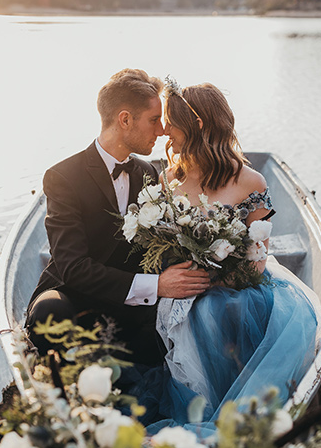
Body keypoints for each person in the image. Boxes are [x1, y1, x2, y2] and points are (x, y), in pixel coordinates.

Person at [130, 79, 321, 427]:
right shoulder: (169, 179)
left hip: (242, 286)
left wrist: (225, 277)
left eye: (171, 121)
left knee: (217, 311)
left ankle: (235, 413)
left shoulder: (251, 181)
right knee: (198, 308)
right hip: (188, 284)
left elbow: (258, 255)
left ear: (198, 124)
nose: (164, 131)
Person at [26, 69, 210, 367]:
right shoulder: (63, 177)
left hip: (132, 305)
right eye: (154, 120)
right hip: (75, 295)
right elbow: (72, 267)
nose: (162, 130)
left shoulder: (150, 174)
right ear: (124, 120)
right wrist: (157, 286)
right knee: (49, 314)